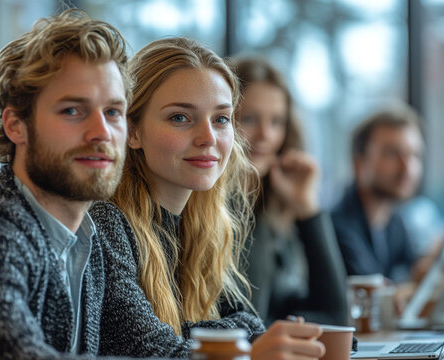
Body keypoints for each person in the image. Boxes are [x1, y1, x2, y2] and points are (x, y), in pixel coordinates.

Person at [90, 38, 325, 360]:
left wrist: (221, 336)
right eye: (180, 118)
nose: (208, 137)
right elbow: (150, 349)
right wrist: (238, 343)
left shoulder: (207, 224)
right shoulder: (105, 221)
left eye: (221, 119)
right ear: (132, 131)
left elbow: (249, 321)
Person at [0, 9, 132, 358]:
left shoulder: (88, 235)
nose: (102, 132)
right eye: (73, 110)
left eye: (113, 112)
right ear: (16, 126)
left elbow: (147, 343)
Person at [230, 57, 348, 326]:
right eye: (249, 119)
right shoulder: (212, 212)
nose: (266, 135)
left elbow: (334, 315)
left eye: (277, 122)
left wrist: (307, 209)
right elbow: (251, 319)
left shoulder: (274, 208)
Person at [331, 103, 424, 283]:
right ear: (359, 164)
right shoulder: (337, 226)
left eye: (414, 155)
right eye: (392, 153)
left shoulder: (394, 221)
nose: (407, 168)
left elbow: (409, 268)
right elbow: (373, 292)